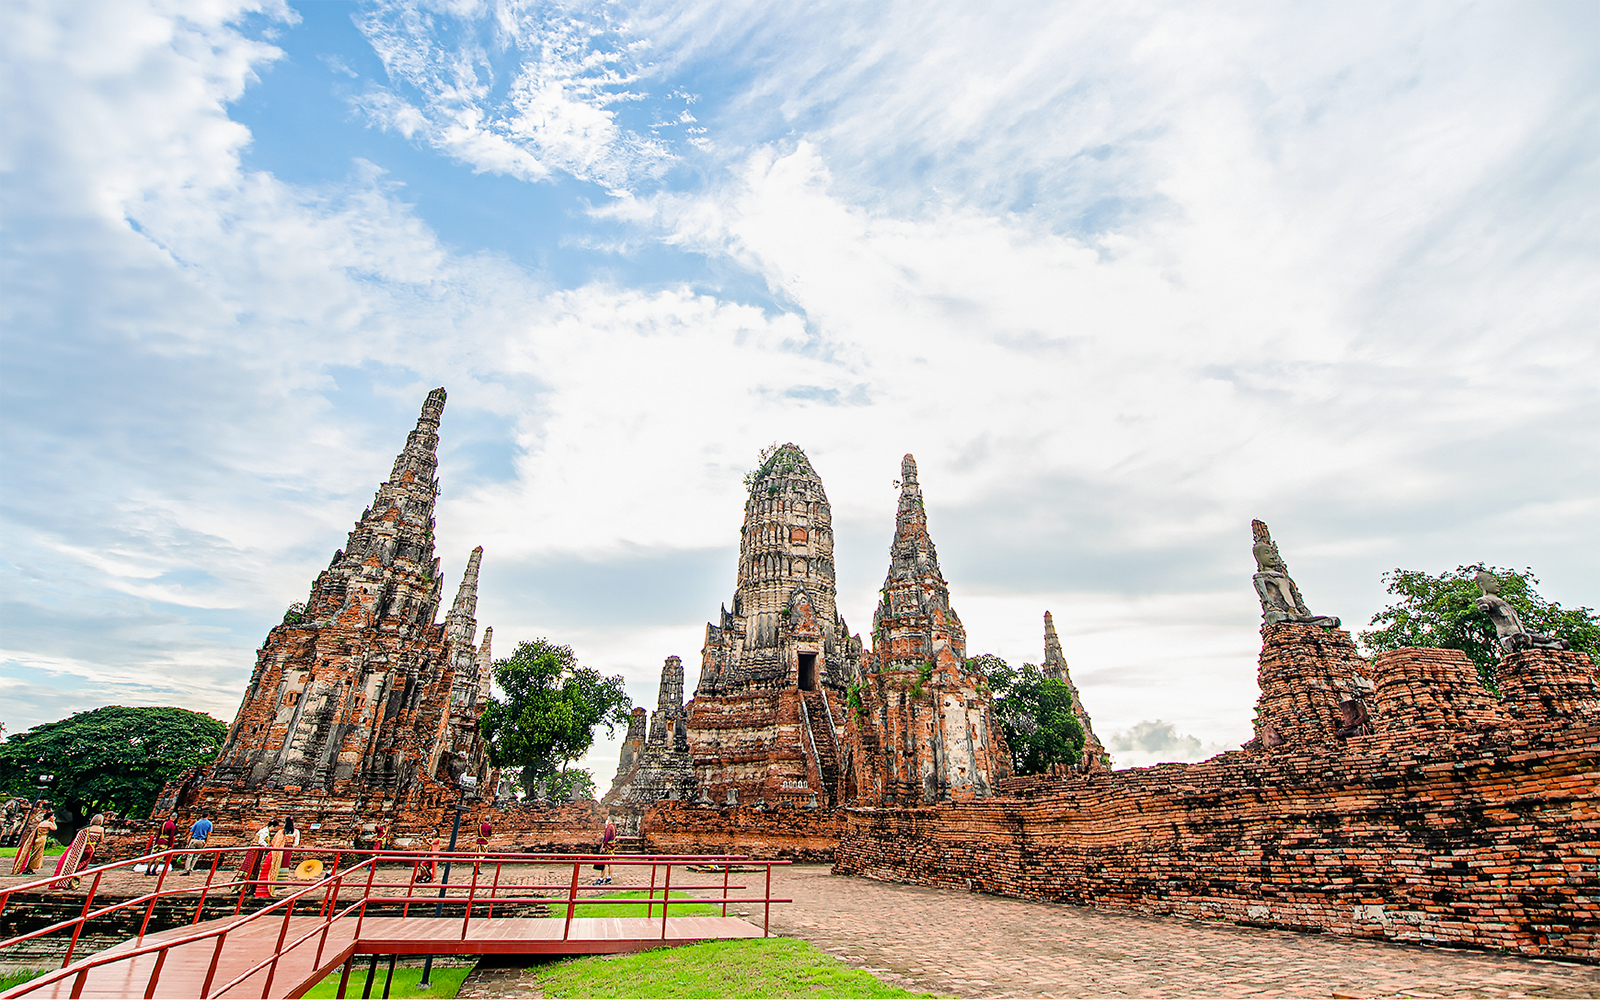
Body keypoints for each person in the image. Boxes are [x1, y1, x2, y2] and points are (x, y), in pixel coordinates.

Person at [51, 814, 105, 890]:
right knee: (83, 866)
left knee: (76, 864)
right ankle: (75, 883)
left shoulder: (87, 829)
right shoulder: (101, 829)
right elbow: (101, 839)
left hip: (83, 848)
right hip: (91, 848)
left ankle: (68, 882)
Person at [10, 807, 55, 876]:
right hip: (42, 839)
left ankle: (29, 867)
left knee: (34, 853)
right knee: (37, 855)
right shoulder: (48, 823)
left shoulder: (41, 823)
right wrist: (53, 821)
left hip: (38, 839)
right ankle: (30, 867)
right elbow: (54, 828)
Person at [255, 819, 289, 898]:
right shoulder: (265, 832)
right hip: (272, 853)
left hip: (270, 853)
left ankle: (260, 891)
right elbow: (261, 841)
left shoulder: (277, 834)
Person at [595, 818, 617, 885]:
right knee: (610, 862)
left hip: (607, 846)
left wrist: (603, 846)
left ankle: (601, 877)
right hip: (612, 846)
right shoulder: (614, 827)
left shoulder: (609, 827)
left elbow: (606, 837)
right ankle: (609, 877)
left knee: (603, 861)